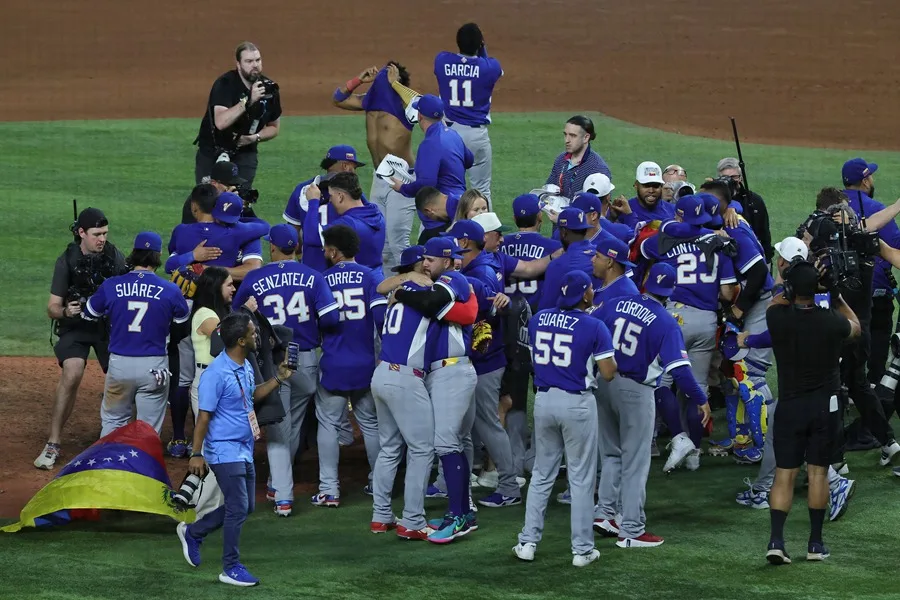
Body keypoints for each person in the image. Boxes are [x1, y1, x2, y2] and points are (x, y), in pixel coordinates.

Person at [591, 263, 710, 548]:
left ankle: (605, 513)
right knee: (635, 461)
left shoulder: (616, 302)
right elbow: (679, 371)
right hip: (634, 391)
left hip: (603, 383)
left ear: (645, 280)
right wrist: (701, 398)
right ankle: (631, 528)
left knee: (611, 454)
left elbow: (592, 331)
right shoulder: (665, 321)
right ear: (670, 291)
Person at [176, 312, 294, 587]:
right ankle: (230, 566)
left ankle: (194, 533)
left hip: (243, 446)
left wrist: (278, 378)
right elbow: (203, 417)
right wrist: (196, 454)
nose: (257, 336)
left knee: (246, 506)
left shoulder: (243, 366)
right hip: (223, 450)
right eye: (253, 333)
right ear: (241, 340)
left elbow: (249, 396)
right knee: (239, 507)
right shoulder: (215, 375)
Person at [231, 224, 339, 516]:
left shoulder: (254, 277)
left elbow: (236, 320)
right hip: (305, 357)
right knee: (292, 423)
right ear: (297, 248)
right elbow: (331, 320)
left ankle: (283, 497)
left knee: (279, 427)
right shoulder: (313, 277)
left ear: (273, 248)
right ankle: (277, 485)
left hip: (271, 362)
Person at [512, 270, 617, 567]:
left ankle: (528, 542)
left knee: (542, 475)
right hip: (577, 404)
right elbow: (608, 373)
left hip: (544, 401)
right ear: (585, 294)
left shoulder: (539, 318)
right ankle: (582, 550)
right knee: (581, 478)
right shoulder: (594, 326)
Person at [764, 259, 860, 565]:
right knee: (818, 473)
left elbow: (776, 299)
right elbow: (856, 327)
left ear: (792, 291)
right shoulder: (831, 321)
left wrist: (788, 283)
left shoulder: (777, 317)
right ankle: (815, 544)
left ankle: (776, 541)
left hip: (790, 406)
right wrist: (835, 293)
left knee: (784, 474)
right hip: (823, 407)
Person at [388, 237, 480, 543]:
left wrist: (400, 292)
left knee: (444, 442)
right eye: (423, 259)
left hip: (453, 370)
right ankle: (464, 512)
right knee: (447, 441)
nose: (425, 264)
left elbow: (430, 303)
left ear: (448, 261)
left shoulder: (453, 278)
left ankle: (459, 517)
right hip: (440, 372)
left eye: (431, 260)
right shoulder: (435, 287)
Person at [639, 195, 736, 472]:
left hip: (674, 319)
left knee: (661, 382)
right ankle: (694, 452)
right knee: (699, 389)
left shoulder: (668, 237)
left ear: (680, 216)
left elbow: (643, 253)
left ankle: (672, 439)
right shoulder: (719, 242)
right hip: (706, 320)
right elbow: (728, 293)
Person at [35, 207, 127, 469]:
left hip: (105, 327)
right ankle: (53, 443)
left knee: (121, 375)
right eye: (97, 234)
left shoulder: (114, 256)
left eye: (105, 233)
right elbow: (52, 307)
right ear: (81, 233)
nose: (102, 239)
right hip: (75, 326)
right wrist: (66, 310)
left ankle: (118, 440)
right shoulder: (67, 259)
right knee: (73, 372)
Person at [80, 232, 190, 437]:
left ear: (134, 253)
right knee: (148, 430)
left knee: (113, 422)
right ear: (157, 256)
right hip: (154, 366)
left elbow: (89, 315)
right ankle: (143, 469)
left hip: (120, 364)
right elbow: (182, 328)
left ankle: (107, 467)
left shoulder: (111, 285)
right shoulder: (171, 290)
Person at [443, 219, 520, 507]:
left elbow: (497, 310)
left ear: (463, 243)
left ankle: (510, 487)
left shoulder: (481, 274)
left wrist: (498, 304)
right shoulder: (479, 267)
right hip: (479, 359)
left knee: (487, 423)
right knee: (461, 425)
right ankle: (451, 483)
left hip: (486, 360)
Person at [316, 225, 387, 504]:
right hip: (365, 363)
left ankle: (329, 489)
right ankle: (378, 484)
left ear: (334, 251)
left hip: (333, 363)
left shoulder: (321, 279)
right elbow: (382, 321)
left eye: (326, 248)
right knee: (370, 423)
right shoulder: (372, 277)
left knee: (329, 424)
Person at [333, 62, 419, 271]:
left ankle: (409, 287)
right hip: (379, 177)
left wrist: (396, 85)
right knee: (380, 241)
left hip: (402, 177)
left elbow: (429, 105)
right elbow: (338, 99)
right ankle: (388, 291)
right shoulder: (369, 102)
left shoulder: (404, 104)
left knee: (399, 242)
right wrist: (358, 80)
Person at [194, 42, 281, 186]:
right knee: (208, 199)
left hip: (245, 152)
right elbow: (221, 122)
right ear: (238, 64)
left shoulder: (269, 89)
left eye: (258, 60)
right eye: (249, 61)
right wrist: (248, 101)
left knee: (240, 200)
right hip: (213, 150)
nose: (255, 65)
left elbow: (274, 127)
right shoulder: (225, 84)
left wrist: (254, 138)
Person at [434, 22, 504, 204]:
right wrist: (482, 47)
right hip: (475, 136)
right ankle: (485, 231)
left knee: (447, 188)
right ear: (480, 43)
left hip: (448, 135)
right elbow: (489, 65)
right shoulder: (490, 67)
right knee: (481, 190)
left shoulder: (442, 60)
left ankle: (448, 229)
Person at [391, 95, 474, 235]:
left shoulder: (429, 144)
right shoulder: (453, 134)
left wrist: (403, 188)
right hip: (460, 206)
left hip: (440, 216)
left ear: (420, 115)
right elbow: (469, 160)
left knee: (429, 253)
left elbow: (426, 183)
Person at [281, 145, 368, 271]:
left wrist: (300, 256)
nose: (354, 172)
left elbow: (292, 232)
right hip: (343, 268)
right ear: (345, 166)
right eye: (354, 168)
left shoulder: (302, 189)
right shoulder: (350, 193)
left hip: (311, 266)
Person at [166, 192, 268, 284]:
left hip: (233, 296)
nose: (222, 222)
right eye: (220, 218)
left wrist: (208, 270)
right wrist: (193, 255)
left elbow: (252, 271)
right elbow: (170, 266)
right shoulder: (244, 230)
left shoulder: (247, 234)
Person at [305, 172, 387, 278]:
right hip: (376, 279)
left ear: (340, 197)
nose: (329, 200)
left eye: (331, 196)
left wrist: (313, 202)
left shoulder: (348, 224)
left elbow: (311, 236)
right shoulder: (375, 212)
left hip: (356, 283)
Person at [502, 193, 562, 312]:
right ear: (540, 216)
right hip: (537, 315)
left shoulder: (499, 245)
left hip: (504, 311)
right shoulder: (554, 248)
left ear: (514, 218)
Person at [538, 207, 602, 311]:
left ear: (563, 232)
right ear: (585, 229)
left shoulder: (557, 265)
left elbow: (546, 308)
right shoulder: (602, 256)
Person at [717, 157, 772, 264]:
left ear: (741, 178)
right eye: (725, 178)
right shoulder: (713, 201)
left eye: (734, 177)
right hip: (723, 258)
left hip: (752, 257)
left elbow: (764, 232)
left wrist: (767, 259)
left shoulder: (755, 200)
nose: (730, 182)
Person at [545, 115, 612, 200]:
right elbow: (549, 188)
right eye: (565, 135)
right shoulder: (561, 159)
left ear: (586, 138)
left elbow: (598, 207)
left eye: (573, 136)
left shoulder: (598, 169)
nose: (567, 140)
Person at [609, 161, 676, 228]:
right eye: (646, 186)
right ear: (636, 185)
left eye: (656, 186)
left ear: (661, 186)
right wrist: (612, 218)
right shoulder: (622, 210)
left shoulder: (673, 210)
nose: (651, 190)